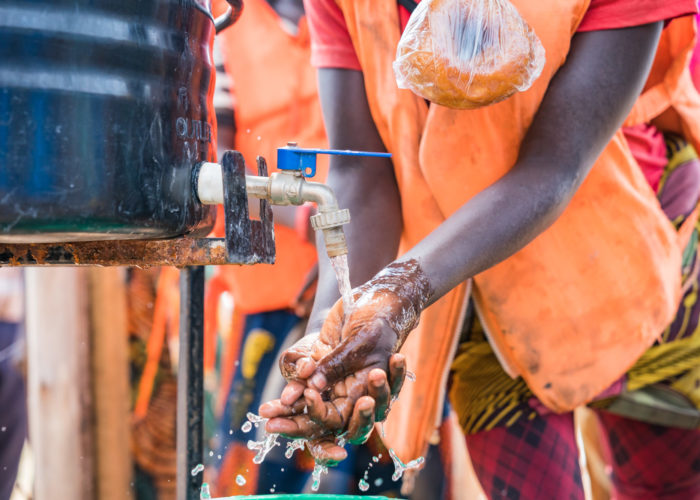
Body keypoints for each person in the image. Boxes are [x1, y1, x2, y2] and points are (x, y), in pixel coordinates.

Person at [259, 0, 700, 498]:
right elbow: (363, 172)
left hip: (636, 261)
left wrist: (400, 291)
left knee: (668, 488)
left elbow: (555, 164)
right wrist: (329, 333)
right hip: (478, 289)